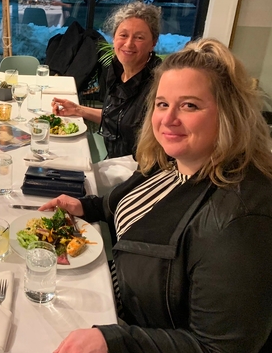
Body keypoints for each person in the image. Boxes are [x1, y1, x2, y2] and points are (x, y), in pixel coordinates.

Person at [41, 39, 272, 353]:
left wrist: (117, 340)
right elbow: (131, 204)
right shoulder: (172, 161)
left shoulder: (241, 220)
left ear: (229, 113)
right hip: (107, 297)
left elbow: (221, 347)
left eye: (189, 105)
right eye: (162, 104)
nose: (168, 119)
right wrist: (85, 205)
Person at [51, 2, 162, 158]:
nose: (129, 44)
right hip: (114, 161)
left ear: (153, 42)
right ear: (114, 37)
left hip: (138, 170)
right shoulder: (116, 70)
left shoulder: (159, 83)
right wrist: (78, 110)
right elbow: (118, 117)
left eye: (139, 37)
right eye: (123, 35)